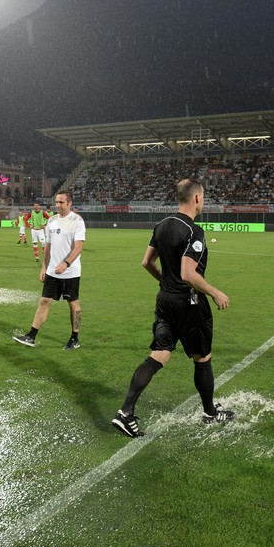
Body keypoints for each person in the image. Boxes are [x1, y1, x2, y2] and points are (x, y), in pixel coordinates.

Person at [111, 178, 235, 438]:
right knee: (202, 358)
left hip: (165, 300)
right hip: (189, 303)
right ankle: (211, 413)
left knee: (160, 354)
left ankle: (125, 413)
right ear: (197, 198)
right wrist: (214, 292)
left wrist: (166, 283)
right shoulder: (194, 231)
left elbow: (146, 262)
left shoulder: (162, 224)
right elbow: (188, 274)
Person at [13, 191, 85, 350]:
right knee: (44, 301)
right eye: (56, 202)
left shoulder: (77, 221)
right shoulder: (51, 221)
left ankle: (75, 338)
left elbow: (79, 247)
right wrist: (44, 267)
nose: (58, 205)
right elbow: (48, 247)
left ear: (69, 203)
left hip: (70, 272)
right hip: (52, 271)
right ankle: (31, 336)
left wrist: (66, 263)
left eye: (61, 202)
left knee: (73, 304)